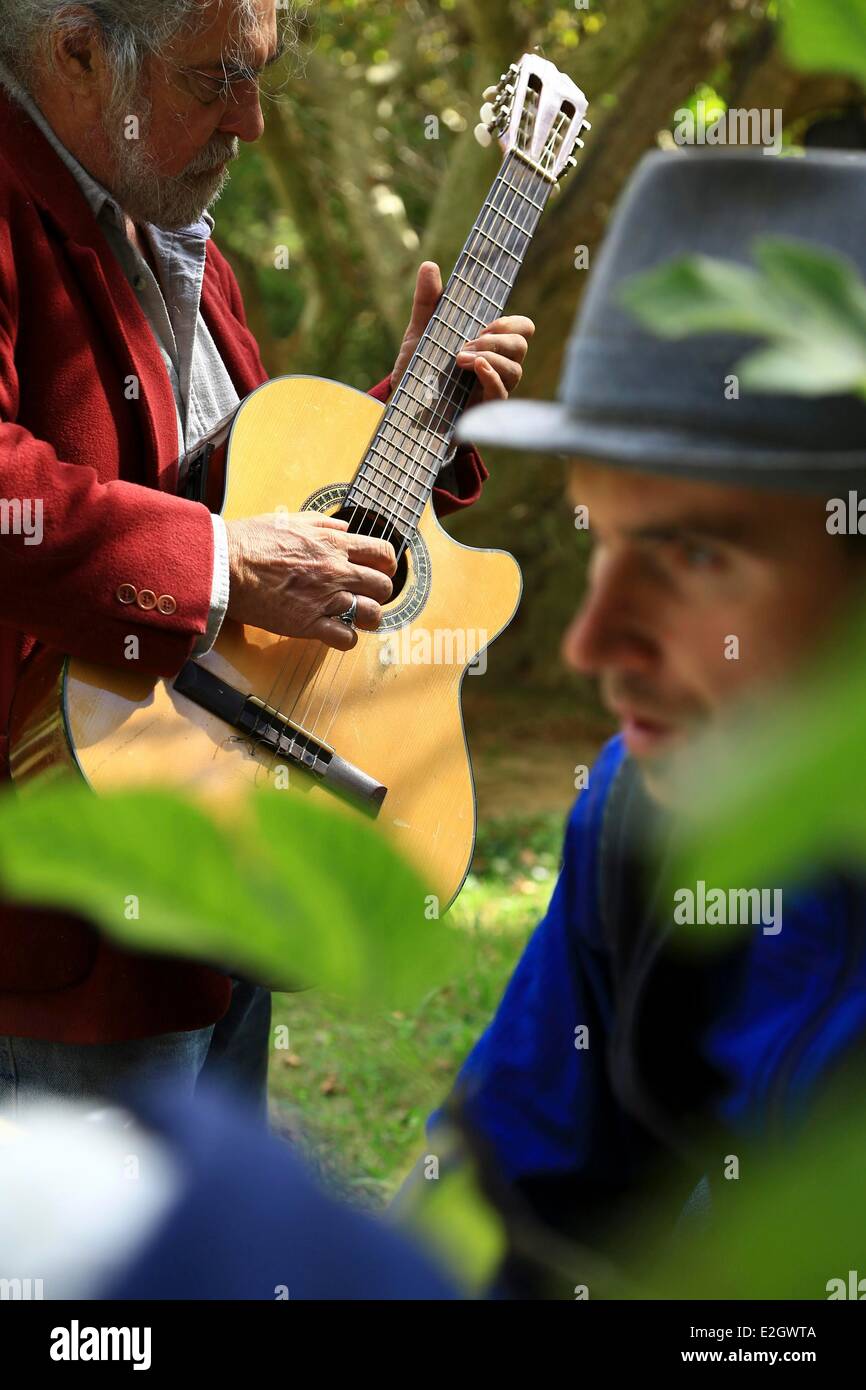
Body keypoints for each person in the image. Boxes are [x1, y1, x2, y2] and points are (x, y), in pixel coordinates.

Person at [0, 0, 534, 1116]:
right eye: (213, 79)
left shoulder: (171, 224)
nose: (249, 119)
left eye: (263, 76)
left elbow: (239, 488)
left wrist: (418, 416)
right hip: (59, 919)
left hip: (220, 847)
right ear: (78, 50)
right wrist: (221, 563)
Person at [407, 146, 866, 1288]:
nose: (590, 645)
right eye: (602, 537)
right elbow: (502, 1196)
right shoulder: (641, 807)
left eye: (696, 550)